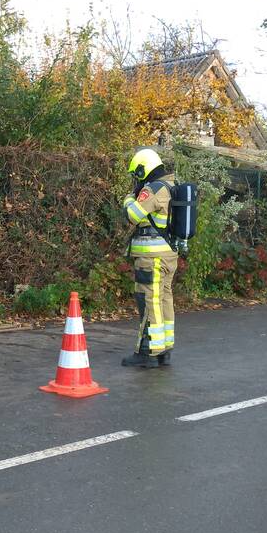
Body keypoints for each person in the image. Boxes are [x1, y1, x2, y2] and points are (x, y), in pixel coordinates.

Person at [121, 147, 177, 368]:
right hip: (168, 254)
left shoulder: (153, 189)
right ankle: (164, 349)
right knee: (164, 299)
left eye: (138, 173)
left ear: (144, 168)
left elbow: (132, 215)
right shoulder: (171, 186)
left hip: (152, 257)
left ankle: (147, 352)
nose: (137, 178)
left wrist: (128, 199)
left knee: (148, 301)